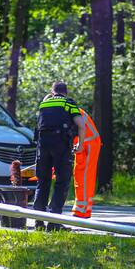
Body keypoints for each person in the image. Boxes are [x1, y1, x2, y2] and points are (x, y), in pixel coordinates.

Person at [32, 81, 85, 228]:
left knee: (42, 182)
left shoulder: (44, 104)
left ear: (52, 91)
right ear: (65, 92)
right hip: (60, 145)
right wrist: (80, 145)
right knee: (62, 181)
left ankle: (38, 220)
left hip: (42, 145)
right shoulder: (68, 102)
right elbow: (81, 125)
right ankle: (54, 222)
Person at [71, 107, 101, 218]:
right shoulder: (68, 107)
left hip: (89, 143)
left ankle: (82, 211)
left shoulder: (68, 109)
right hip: (83, 143)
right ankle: (83, 210)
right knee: (79, 174)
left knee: (85, 176)